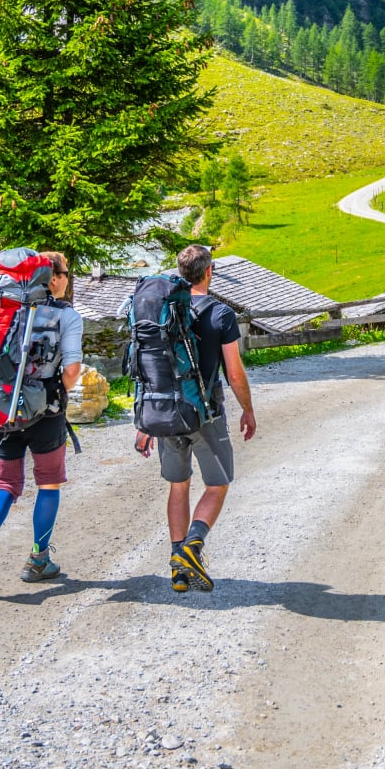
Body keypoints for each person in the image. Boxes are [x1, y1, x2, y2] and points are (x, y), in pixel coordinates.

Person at [134, 244, 256, 594]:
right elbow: (234, 373)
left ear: (180, 272)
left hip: (164, 411)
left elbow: (146, 368)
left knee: (179, 486)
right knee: (217, 484)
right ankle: (192, 546)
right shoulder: (220, 314)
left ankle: (178, 568)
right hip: (205, 412)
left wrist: (144, 422)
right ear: (209, 271)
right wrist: (247, 409)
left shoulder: (163, 310)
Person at [0, 251, 84, 594]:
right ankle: (38, 559)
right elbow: (72, 370)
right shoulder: (66, 316)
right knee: (48, 483)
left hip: (1, 406)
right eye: (65, 273)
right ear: (54, 278)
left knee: (4, 483)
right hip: (45, 412)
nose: (67, 279)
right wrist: (55, 393)